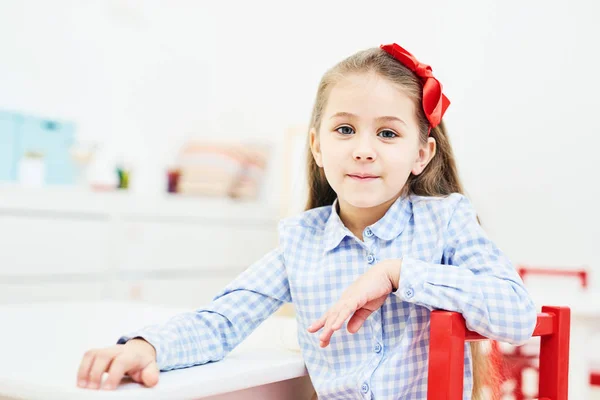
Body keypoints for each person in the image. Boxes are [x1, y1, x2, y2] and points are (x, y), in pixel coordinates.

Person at [76, 42, 537, 399]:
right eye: (344, 129)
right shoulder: (301, 243)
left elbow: (518, 314)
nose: (362, 148)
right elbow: (221, 320)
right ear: (317, 147)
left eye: (387, 133)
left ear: (422, 153)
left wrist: (399, 275)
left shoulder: (446, 221)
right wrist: (147, 347)